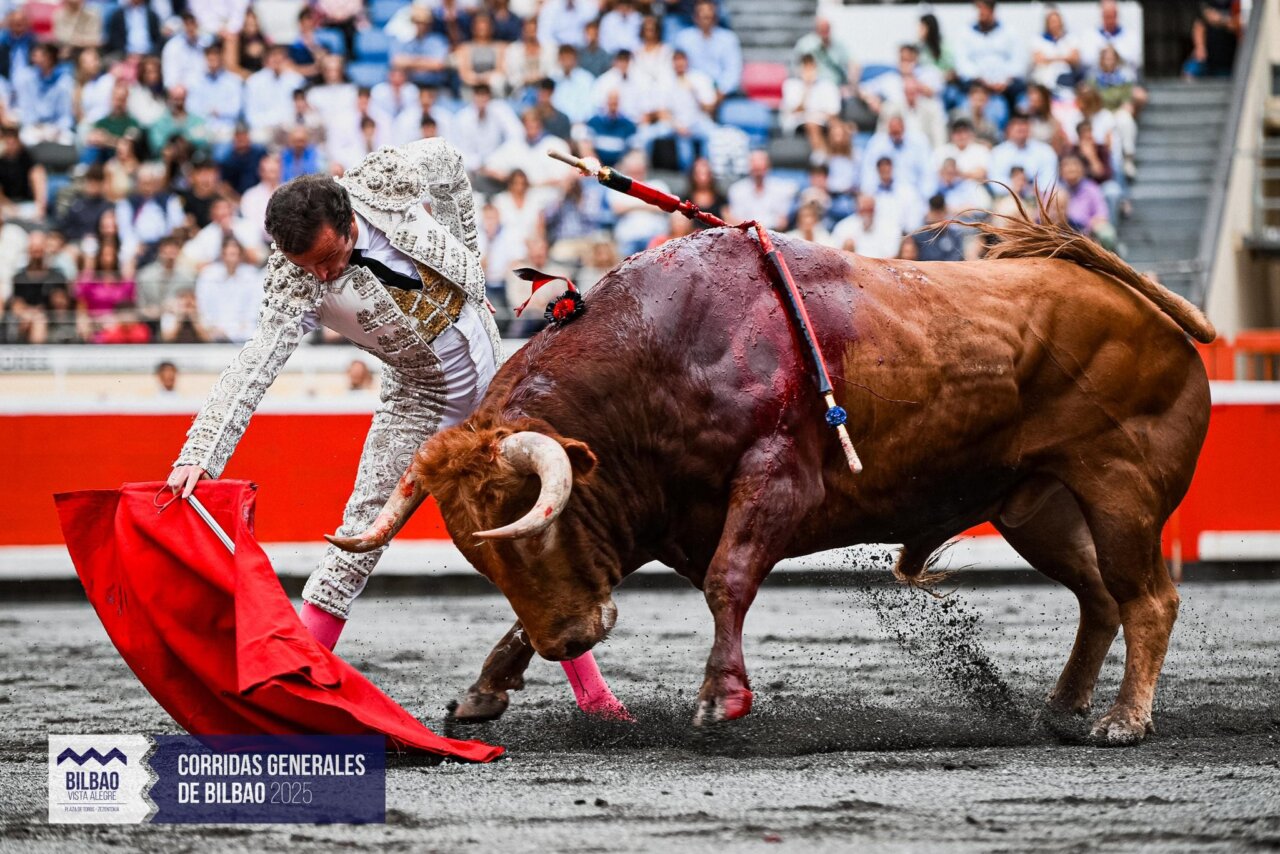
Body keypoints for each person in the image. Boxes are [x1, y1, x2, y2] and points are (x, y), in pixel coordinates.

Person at [162, 139, 627, 719]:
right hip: (420, 403)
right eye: (312, 267)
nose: (325, 274)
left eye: (330, 258)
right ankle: (292, 690)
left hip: (500, 380)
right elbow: (253, 367)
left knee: (535, 528)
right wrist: (201, 454)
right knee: (359, 534)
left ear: (350, 217)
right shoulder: (293, 280)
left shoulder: (382, 179)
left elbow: (452, 163)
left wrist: (468, 250)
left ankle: (596, 698)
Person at [954, 0, 1024, 110]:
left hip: (1005, 84)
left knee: (1022, 94)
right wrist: (981, 79)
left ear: (992, 10)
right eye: (979, 9)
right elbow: (962, 62)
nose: (981, 12)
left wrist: (1004, 80)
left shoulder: (1009, 32)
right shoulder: (965, 33)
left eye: (984, 9)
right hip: (976, 82)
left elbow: (1018, 60)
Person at [195, 238, 263, 342]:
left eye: (235, 254)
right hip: (214, 332)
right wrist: (213, 327)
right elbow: (203, 305)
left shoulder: (251, 276)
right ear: (222, 255)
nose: (232, 258)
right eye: (229, 254)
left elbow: (254, 306)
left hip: (244, 332)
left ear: (240, 255)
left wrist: (242, 328)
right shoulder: (208, 275)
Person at [673, 0, 742, 98]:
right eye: (703, 16)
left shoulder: (728, 39)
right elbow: (678, 66)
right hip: (690, 90)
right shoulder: (683, 38)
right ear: (695, 17)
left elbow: (733, 70)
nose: (706, 18)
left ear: (715, 17)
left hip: (721, 92)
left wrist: (721, 92)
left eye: (709, 16)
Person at [990, 112, 1059, 195]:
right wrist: (1013, 187)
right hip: (1008, 196)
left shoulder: (1045, 151)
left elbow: (1049, 180)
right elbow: (995, 182)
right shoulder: (997, 152)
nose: (1021, 130)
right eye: (1018, 127)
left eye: (1024, 126)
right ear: (1009, 129)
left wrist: (1030, 189)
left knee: (1058, 196)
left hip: (1039, 196)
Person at [727, 150, 796, 232]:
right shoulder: (737, 190)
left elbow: (782, 222)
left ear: (768, 167)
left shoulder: (783, 188)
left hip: (775, 235)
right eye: (755, 169)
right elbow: (737, 222)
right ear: (749, 168)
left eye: (760, 169)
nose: (758, 174)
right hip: (747, 236)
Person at [793, 17, 855, 89]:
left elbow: (853, 63)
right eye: (822, 29)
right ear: (816, 29)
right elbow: (799, 66)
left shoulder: (839, 44)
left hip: (836, 85)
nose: (824, 32)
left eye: (826, 29)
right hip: (813, 85)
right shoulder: (806, 45)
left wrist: (851, 84)